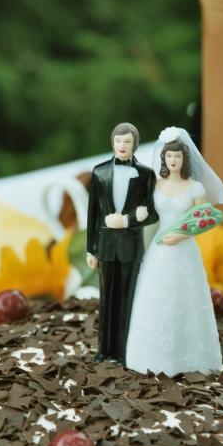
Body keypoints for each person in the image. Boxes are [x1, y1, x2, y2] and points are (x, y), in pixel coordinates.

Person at [126, 126, 223, 376]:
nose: (173, 160)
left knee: (187, 299)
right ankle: (148, 357)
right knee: (156, 298)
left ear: (185, 159)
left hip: (184, 252)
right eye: (169, 156)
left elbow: (204, 219)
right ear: (163, 158)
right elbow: (146, 214)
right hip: (159, 252)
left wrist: (182, 233)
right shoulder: (154, 185)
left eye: (178, 157)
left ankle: (191, 359)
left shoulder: (195, 188)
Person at [86, 122, 159, 365]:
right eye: (119, 141)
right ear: (113, 143)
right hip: (105, 247)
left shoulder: (146, 175)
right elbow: (93, 214)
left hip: (130, 247)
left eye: (127, 142)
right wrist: (91, 248)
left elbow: (153, 214)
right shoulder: (98, 172)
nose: (122, 146)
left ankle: (124, 352)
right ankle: (104, 350)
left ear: (134, 144)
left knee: (127, 300)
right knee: (106, 300)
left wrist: (127, 221)